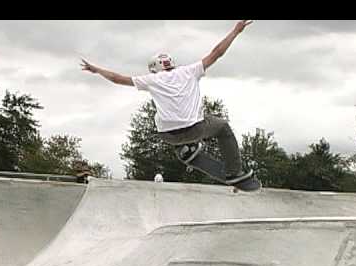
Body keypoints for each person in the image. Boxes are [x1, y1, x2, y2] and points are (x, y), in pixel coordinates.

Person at [81, 20, 254, 184]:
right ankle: (234, 172)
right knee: (221, 126)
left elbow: (117, 78)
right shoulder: (190, 71)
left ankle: (186, 149)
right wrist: (236, 31)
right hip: (194, 130)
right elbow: (217, 53)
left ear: (154, 69)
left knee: (166, 115)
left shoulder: (151, 79)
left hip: (168, 136)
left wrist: (97, 70)